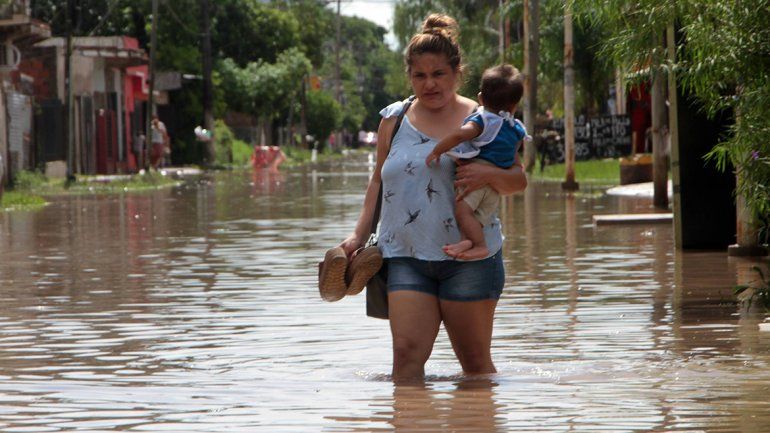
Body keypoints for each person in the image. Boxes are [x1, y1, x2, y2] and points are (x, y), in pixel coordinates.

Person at [339, 14, 527, 382]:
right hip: (406, 257)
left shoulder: (484, 120)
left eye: (438, 73)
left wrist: (489, 173)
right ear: (409, 76)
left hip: (469, 260)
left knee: (475, 367)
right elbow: (377, 181)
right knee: (405, 360)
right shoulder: (393, 119)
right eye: (420, 75)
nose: (429, 84)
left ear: (457, 72)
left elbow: (518, 181)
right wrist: (357, 236)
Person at [425, 64, 528, 260]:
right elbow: (514, 162)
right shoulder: (516, 129)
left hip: (476, 179)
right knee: (475, 217)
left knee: (463, 212)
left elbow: (460, 134)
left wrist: (438, 149)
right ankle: (468, 240)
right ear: (514, 106)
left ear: (480, 98)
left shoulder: (484, 120)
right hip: (494, 188)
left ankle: (479, 245)